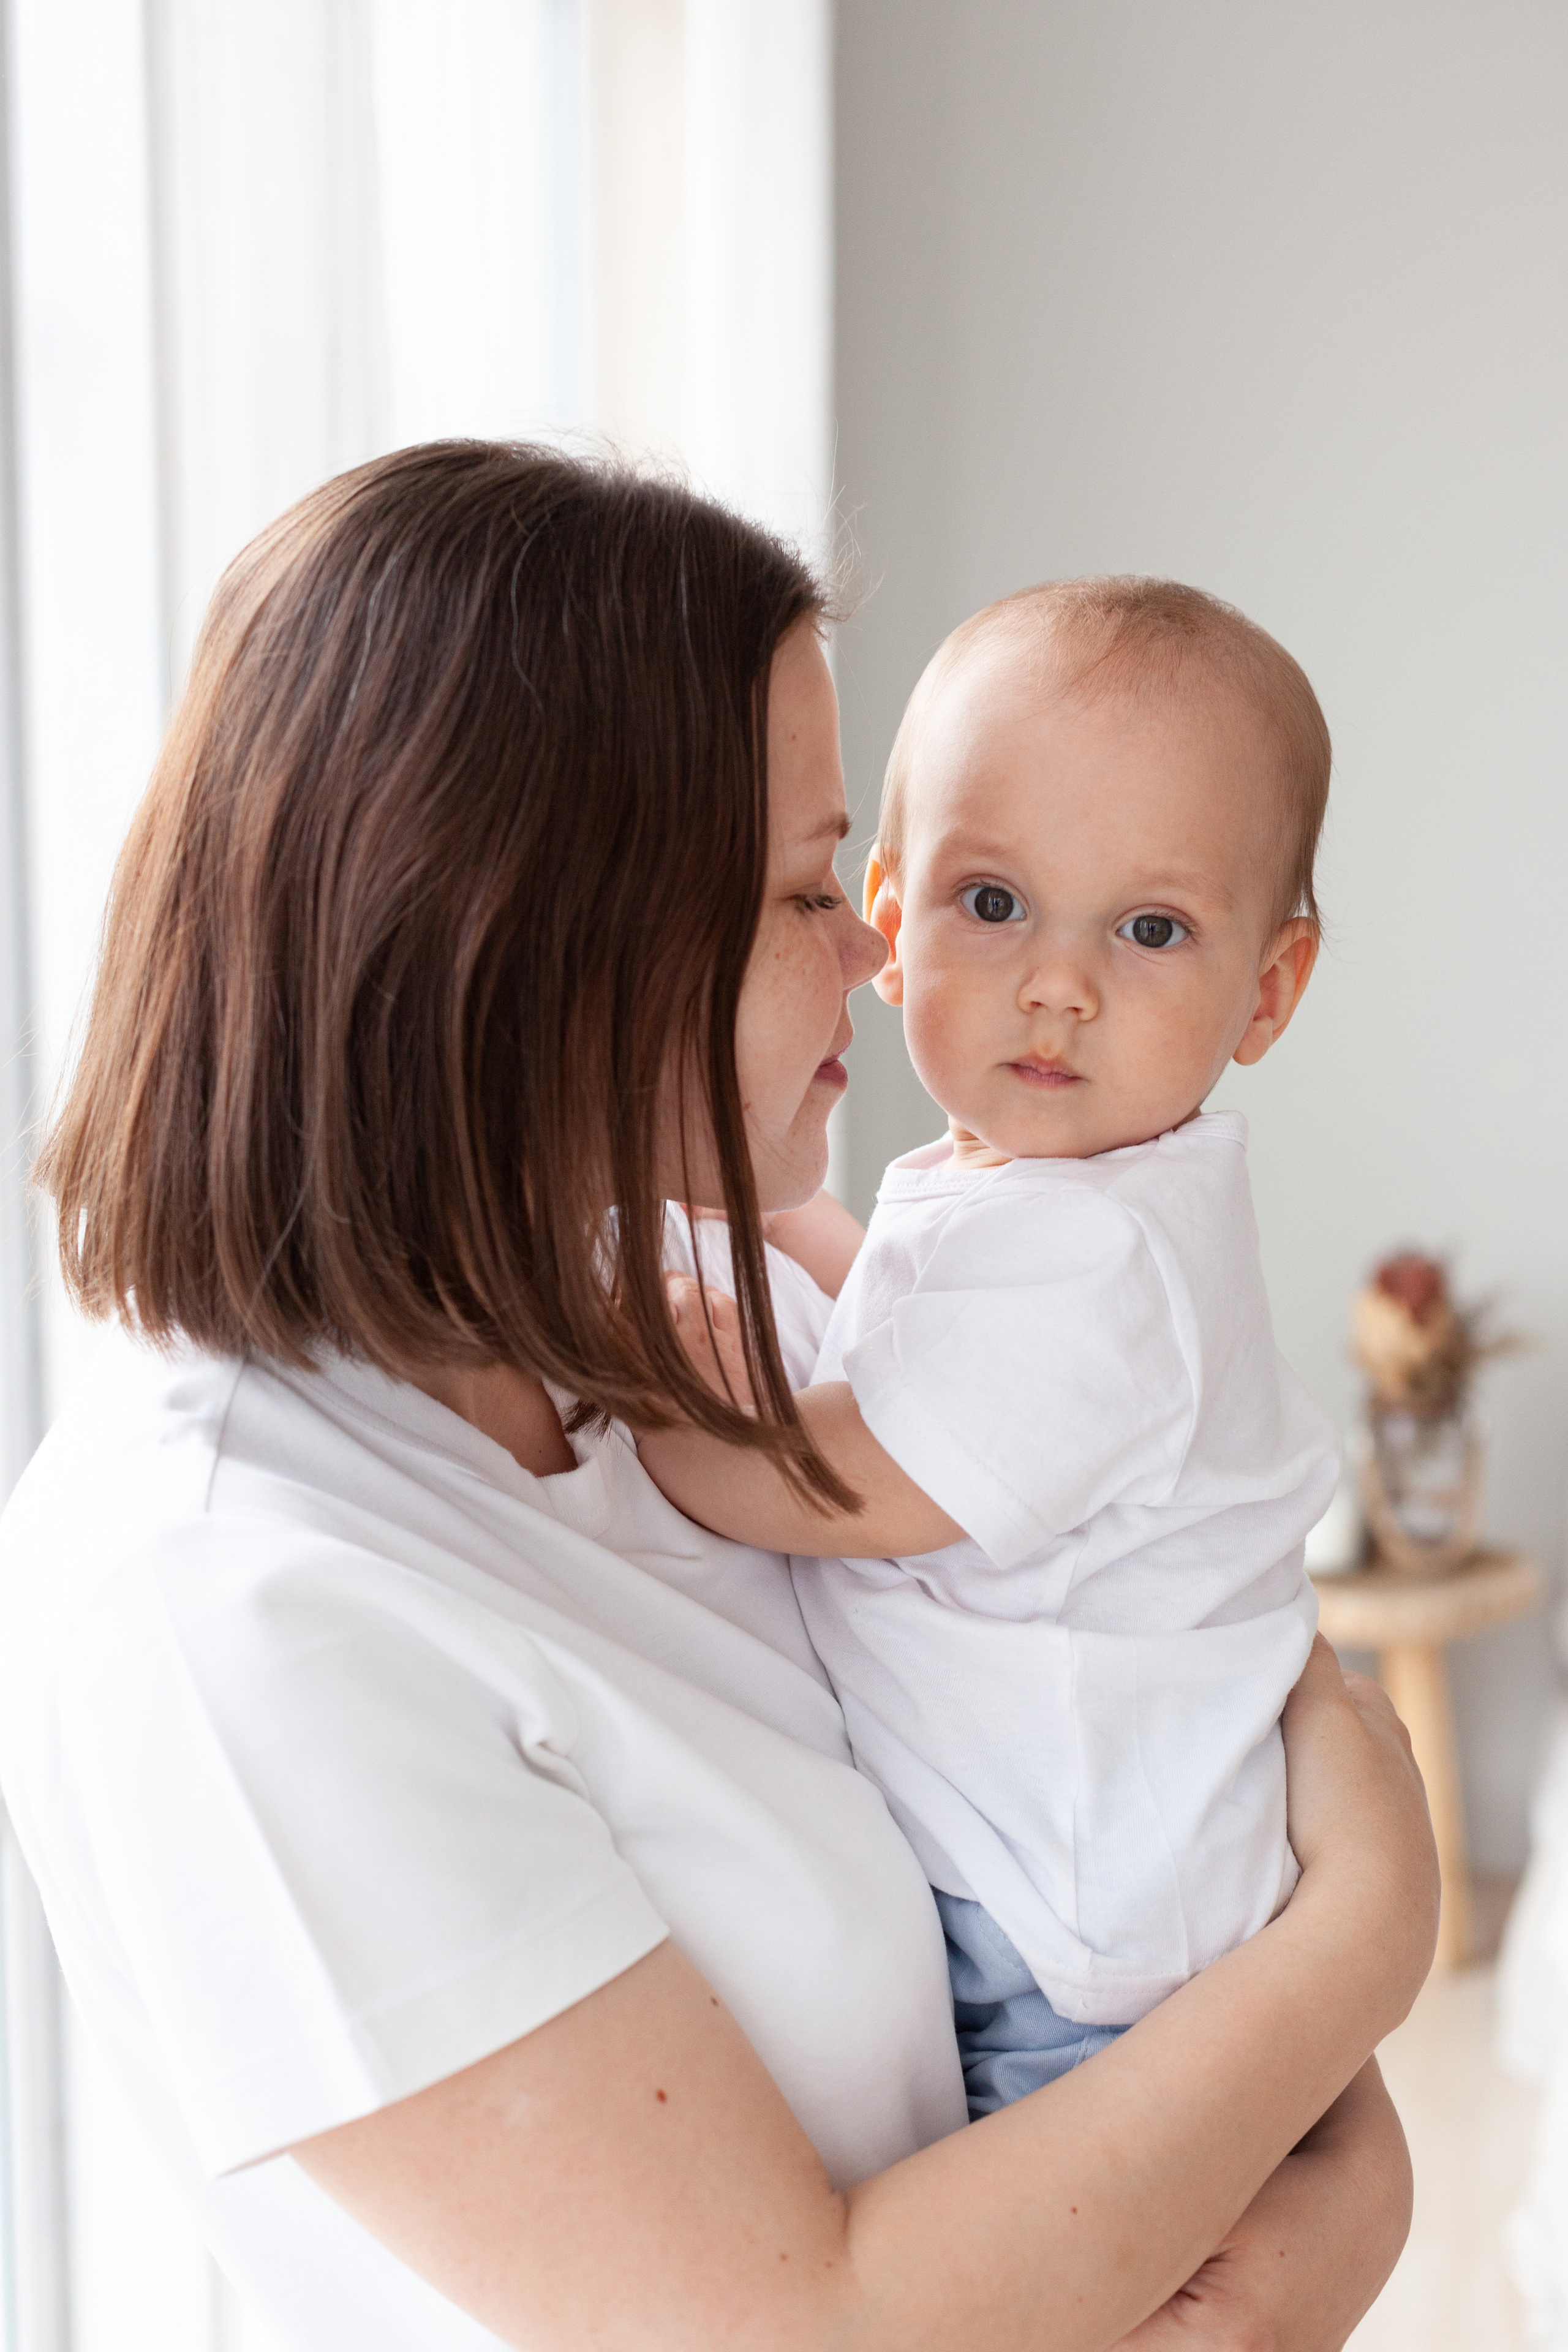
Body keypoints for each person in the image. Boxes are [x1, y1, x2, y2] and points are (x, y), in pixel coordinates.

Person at [0, 443, 1434, 2352]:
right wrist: (1367, 1935)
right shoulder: (226, 1604)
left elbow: (1172, 1702)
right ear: (537, 942)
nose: (877, 952)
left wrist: (1339, 2196)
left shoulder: (688, 1292)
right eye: (809, 888)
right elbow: (807, 2332)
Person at [642, 578, 1340, 2116]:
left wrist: (696, 1419)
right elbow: (912, 1320)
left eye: (1149, 929)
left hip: (1082, 1951)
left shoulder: (1104, 1256)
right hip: (1050, 1884)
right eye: (992, 902)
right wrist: (781, 1230)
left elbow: (859, 1485)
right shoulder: (1039, 1191)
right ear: (888, 925)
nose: (1055, 984)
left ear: (1267, 989)